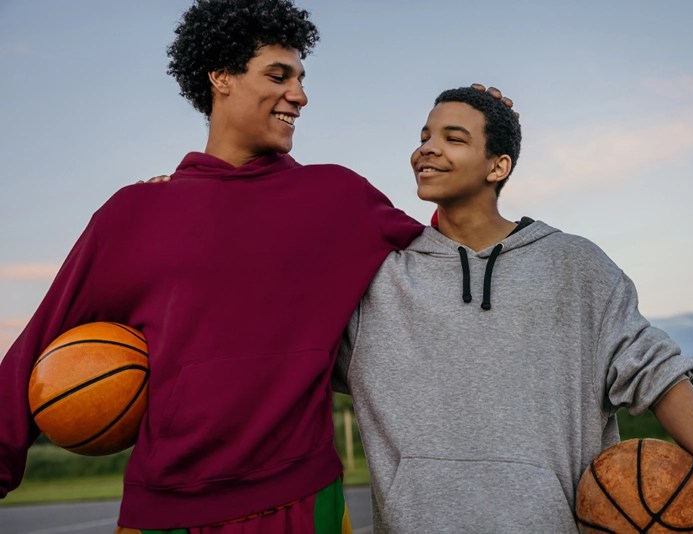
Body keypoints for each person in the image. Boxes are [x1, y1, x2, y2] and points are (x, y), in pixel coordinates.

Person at [0, 1, 423, 532]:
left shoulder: (339, 199)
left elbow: (448, 264)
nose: (300, 94)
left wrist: (484, 149)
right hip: (164, 510)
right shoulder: (133, 214)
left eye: (300, 77)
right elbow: (36, 345)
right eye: (278, 74)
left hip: (301, 500)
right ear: (220, 76)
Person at [334, 86, 693, 533]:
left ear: (497, 166)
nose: (427, 148)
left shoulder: (574, 267)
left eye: (454, 137)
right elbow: (288, 363)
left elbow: (663, 383)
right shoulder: (382, 283)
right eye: (425, 135)